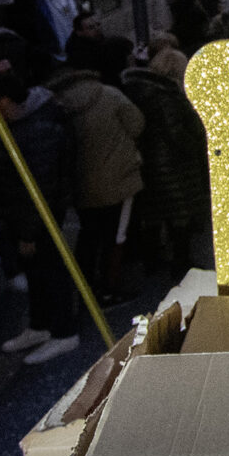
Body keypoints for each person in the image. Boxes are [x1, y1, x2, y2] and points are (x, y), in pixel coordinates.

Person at [0, 55, 83, 365]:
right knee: (37, 272)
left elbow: (41, 189)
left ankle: (64, 332)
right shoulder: (22, 124)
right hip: (21, 215)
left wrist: (28, 232)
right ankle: (40, 325)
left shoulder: (35, 131)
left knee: (50, 271)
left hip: (37, 218)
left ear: (5, 100)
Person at [52, 36, 146, 298]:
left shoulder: (59, 103)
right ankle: (110, 286)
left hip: (81, 183)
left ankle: (85, 286)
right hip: (118, 177)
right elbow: (137, 124)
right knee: (116, 235)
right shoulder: (111, 95)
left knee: (89, 235)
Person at [122, 48, 210, 270]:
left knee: (155, 213)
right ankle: (182, 263)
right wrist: (196, 146)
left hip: (150, 160)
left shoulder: (140, 90)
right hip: (173, 162)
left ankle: (152, 261)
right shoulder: (167, 96)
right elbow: (175, 131)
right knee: (181, 213)